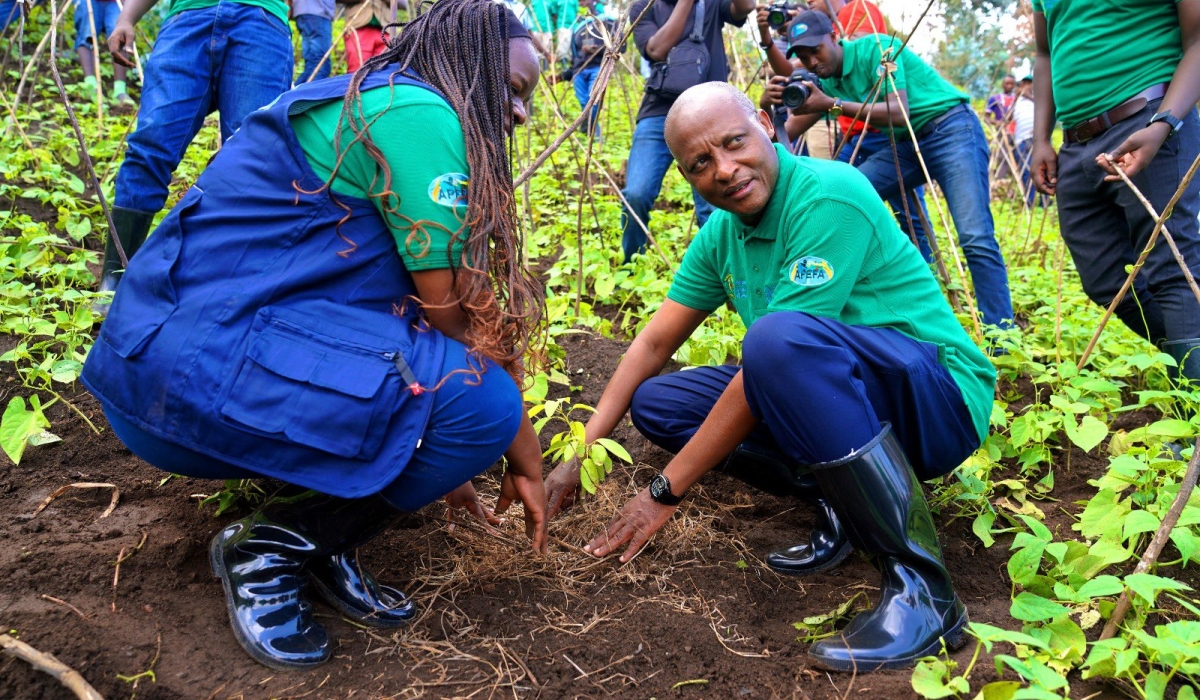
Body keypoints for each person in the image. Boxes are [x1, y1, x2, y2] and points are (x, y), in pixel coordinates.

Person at [81, 0, 549, 670]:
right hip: (191, 383)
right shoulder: (418, 113)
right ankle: (269, 547)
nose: (521, 113)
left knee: (435, 393)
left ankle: (322, 543)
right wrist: (514, 445)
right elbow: (455, 317)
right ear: (467, 65)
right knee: (485, 403)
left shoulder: (367, 99)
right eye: (513, 88)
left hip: (159, 371)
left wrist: (441, 456)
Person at [544, 82, 994, 671]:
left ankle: (925, 593)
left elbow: (779, 355)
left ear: (763, 122)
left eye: (733, 143)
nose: (725, 170)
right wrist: (581, 448)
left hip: (936, 399)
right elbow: (653, 343)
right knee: (661, 403)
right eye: (701, 163)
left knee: (776, 341)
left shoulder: (830, 195)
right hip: (851, 392)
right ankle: (847, 502)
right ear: (685, 175)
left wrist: (663, 493)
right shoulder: (721, 236)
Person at [784, 12, 1015, 330]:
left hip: (950, 129)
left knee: (974, 236)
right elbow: (788, 133)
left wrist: (832, 104)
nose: (811, 61)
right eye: (803, 56)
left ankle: (1001, 335)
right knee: (848, 193)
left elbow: (898, 110)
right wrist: (768, 112)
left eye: (816, 50)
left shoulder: (877, 49)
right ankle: (883, 306)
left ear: (834, 36)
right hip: (907, 144)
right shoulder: (825, 82)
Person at [1032, 0, 1200, 377]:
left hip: (1146, 118)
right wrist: (1040, 139)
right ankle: (1190, 368)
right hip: (1076, 145)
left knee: (1172, 267)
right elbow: (1044, 54)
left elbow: (1197, 38)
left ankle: (1194, 413)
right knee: (1106, 281)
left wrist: (1163, 124)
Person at [95, 0, 294, 310]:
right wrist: (126, 16)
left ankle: (235, 290)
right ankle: (115, 278)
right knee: (151, 144)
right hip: (188, 17)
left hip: (262, 20)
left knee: (256, 159)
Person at [621, 0, 754, 263]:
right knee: (636, 193)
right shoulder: (642, 8)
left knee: (714, 202)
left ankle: (724, 269)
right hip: (659, 111)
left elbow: (745, 7)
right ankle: (632, 263)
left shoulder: (713, 4)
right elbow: (657, 49)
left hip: (710, 114)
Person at [564, 0, 615, 140]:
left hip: (598, 67)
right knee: (584, 103)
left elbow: (619, 47)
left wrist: (598, 50)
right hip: (579, 71)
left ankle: (595, 135)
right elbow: (574, 54)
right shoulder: (577, 25)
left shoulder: (608, 21)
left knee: (592, 102)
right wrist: (566, 74)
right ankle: (589, 132)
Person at [74, 0, 133, 105]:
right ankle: (90, 85)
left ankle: (120, 90)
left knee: (120, 36)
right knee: (87, 33)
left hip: (116, 1)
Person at [339, 0, 403, 73]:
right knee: (357, 71)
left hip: (385, 30)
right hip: (358, 26)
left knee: (383, 71)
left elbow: (403, 3)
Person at [1011, 76, 1043, 207]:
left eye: (1029, 83)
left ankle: (1045, 202)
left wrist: (1028, 95)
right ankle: (1031, 202)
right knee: (1027, 172)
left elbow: (1045, 108)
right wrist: (1017, 98)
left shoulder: (1038, 96)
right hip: (1021, 141)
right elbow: (1008, 118)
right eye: (1023, 83)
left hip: (1039, 139)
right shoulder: (1017, 101)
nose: (1026, 86)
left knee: (1043, 170)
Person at [293, 0, 335, 83]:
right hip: (318, 12)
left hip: (302, 12)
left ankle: (297, 91)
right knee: (321, 65)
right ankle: (309, 94)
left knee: (311, 64)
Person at [986, 74, 1017, 178]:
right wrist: (997, 122)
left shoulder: (1017, 99)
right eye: (1007, 83)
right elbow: (986, 117)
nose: (1009, 86)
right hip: (1002, 132)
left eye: (1012, 84)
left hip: (1018, 132)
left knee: (1016, 158)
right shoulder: (995, 99)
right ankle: (1000, 180)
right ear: (1003, 84)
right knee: (1002, 156)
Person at [531, 0, 577, 66]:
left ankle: (564, 68)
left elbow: (554, 15)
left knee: (548, 49)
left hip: (550, 28)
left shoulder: (549, 2)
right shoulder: (533, 2)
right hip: (536, 28)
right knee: (537, 51)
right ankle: (539, 70)